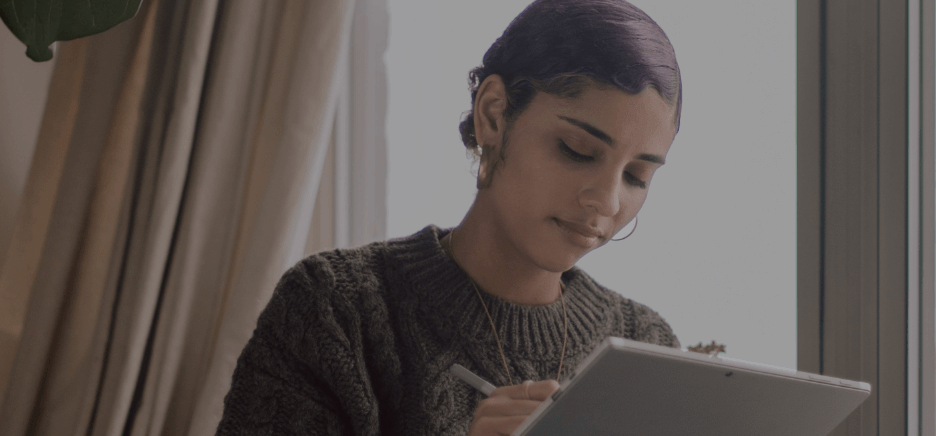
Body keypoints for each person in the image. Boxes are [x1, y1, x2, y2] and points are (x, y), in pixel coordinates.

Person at [215, 0, 683, 434]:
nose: (606, 200)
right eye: (576, 150)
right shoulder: (334, 311)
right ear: (494, 115)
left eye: (637, 176)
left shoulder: (648, 345)